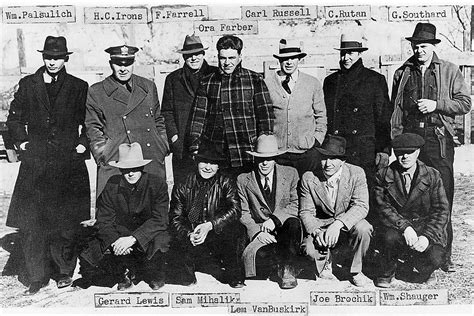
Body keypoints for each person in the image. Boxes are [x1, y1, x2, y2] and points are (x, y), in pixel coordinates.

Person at [6, 36, 91, 295]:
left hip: (67, 163)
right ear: (43, 58)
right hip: (36, 164)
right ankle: (37, 275)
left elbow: (90, 118)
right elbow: (14, 118)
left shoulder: (78, 86)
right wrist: (21, 142)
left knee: (65, 221)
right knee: (33, 222)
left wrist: (83, 143)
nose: (52, 62)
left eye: (57, 58)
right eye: (48, 57)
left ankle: (63, 271)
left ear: (66, 58)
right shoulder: (28, 84)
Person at [390, 23, 471, 272]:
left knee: (442, 194)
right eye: (415, 46)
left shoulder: (449, 70)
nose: (419, 51)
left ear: (433, 46)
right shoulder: (402, 72)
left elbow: (465, 103)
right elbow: (397, 110)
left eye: (423, 46)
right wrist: (396, 142)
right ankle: (412, 252)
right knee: (411, 195)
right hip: (412, 140)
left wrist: (437, 104)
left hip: (438, 140)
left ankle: (443, 255)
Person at [78, 143, 170, 290]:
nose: (131, 174)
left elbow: (161, 219)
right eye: (126, 170)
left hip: (147, 232)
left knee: (162, 239)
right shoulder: (112, 184)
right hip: (121, 232)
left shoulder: (157, 183)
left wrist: (134, 239)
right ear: (121, 169)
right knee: (92, 251)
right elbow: (104, 220)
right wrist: (116, 241)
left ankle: (154, 274)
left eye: (135, 169)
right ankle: (123, 272)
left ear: (142, 168)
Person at [85, 45, 169, 197]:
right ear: (111, 64)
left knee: (153, 212)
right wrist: (103, 153)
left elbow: (158, 120)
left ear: (133, 63)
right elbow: (93, 127)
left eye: (128, 63)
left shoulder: (148, 86)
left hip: (149, 156)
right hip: (116, 159)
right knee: (114, 211)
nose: (123, 68)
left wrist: (162, 145)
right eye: (118, 63)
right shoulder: (97, 91)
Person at [188, 35, 274, 178]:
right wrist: (195, 147)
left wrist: (263, 149)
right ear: (218, 57)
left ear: (240, 57)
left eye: (232, 58)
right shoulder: (207, 82)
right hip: (218, 152)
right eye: (223, 58)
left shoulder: (254, 79)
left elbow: (265, 117)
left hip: (247, 151)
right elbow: (198, 118)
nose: (227, 63)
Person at [373, 133, 449, 287]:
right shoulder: (383, 175)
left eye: (410, 152)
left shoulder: (432, 175)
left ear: (418, 152)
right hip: (396, 228)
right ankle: (388, 271)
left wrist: (427, 236)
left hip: (424, 227)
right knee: (388, 238)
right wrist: (405, 227)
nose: (405, 157)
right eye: (400, 153)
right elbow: (382, 207)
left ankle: (425, 269)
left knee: (437, 256)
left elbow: (441, 210)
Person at [169, 141, 246, 288]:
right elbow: (175, 217)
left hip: (216, 232)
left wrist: (210, 225)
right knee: (184, 278)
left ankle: (234, 275)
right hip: (193, 234)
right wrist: (188, 233)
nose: (208, 167)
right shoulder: (183, 184)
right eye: (204, 162)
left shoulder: (225, 182)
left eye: (213, 163)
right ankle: (188, 275)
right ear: (197, 162)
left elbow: (235, 209)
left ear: (218, 166)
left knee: (237, 229)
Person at [299, 135, 373, 287]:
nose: (328, 164)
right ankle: (326, 262)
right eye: (324, 158)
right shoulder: (309, 177)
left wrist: (339, 224)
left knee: (364, 228)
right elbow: (306, 211)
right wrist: (317, 231)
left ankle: (355, 270)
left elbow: (361, 205)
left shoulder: (356, 173)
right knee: (308, 250)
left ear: (343, 161)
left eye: (333, 159)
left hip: (346, 222)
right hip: (322, 224)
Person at [323, 31, 392, 191]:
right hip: (337, 149)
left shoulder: (375, 80)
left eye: (350, 53)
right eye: (343, 53)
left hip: (364, 150)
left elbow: (383, 118)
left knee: (365, 194)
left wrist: (384, 150)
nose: (346, 58)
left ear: (360, 54)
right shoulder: (330, 82)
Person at [237, 134, 301, 289]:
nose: (265, 163)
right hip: (262, 232)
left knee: (293, 223)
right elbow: (244, 214)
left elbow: (295, 205)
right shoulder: (243, 180)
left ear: (275, 158)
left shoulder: (290, 173)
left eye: (269, 158)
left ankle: (287, 269)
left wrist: (275, 220)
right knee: (260, 265)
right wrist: (258, 233)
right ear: (255, 159)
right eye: (260, 158)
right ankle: (276, 262)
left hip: (285, 229)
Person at [265, 39, 327, 176]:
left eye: (293, 58)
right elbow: (263, 116)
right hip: (278, 152)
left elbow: (321, 116)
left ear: (299, 59)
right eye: (285, 58)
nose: (289, 62)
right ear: (279, 61)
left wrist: (316, 141)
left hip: (306, 152)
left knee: (305, 190)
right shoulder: (267, 84)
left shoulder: (312, 83)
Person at [161, 35, 217, 185]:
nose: (193, 58)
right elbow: (166, 112)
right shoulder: (173, 79)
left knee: (211, 190)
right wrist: (174, 138)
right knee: (183, 189)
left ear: (203, 54)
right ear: (184, 56)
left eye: (197, 54)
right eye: (189, 55)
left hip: (210, 145)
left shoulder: (215, 74)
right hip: (183, 147)